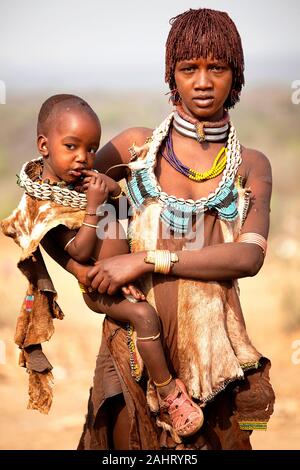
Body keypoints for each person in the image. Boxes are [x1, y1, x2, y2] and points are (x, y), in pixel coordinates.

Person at [43, 8, 275, 449]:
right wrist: (80, 270)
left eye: (217, 68)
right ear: (173, 76)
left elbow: (249, 257)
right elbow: (47, 200)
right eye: (189, 69)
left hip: (215, 354)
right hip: (133, 349)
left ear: (236, 75)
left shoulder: (250, 165)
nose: (203, 82)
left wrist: (146, 259)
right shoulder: (137, 148)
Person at [2, 93, 204, 436]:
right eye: (72, 147)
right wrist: (96, 205)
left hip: (126, 265)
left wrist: (112, 191)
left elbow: (126, 215)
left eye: (91, 148)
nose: (83, 158)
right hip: (97, 285)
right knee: (144, 316)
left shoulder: (82, 184)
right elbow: (79, 253)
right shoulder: (44, 205)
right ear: (44, 144)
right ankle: (169, 393)